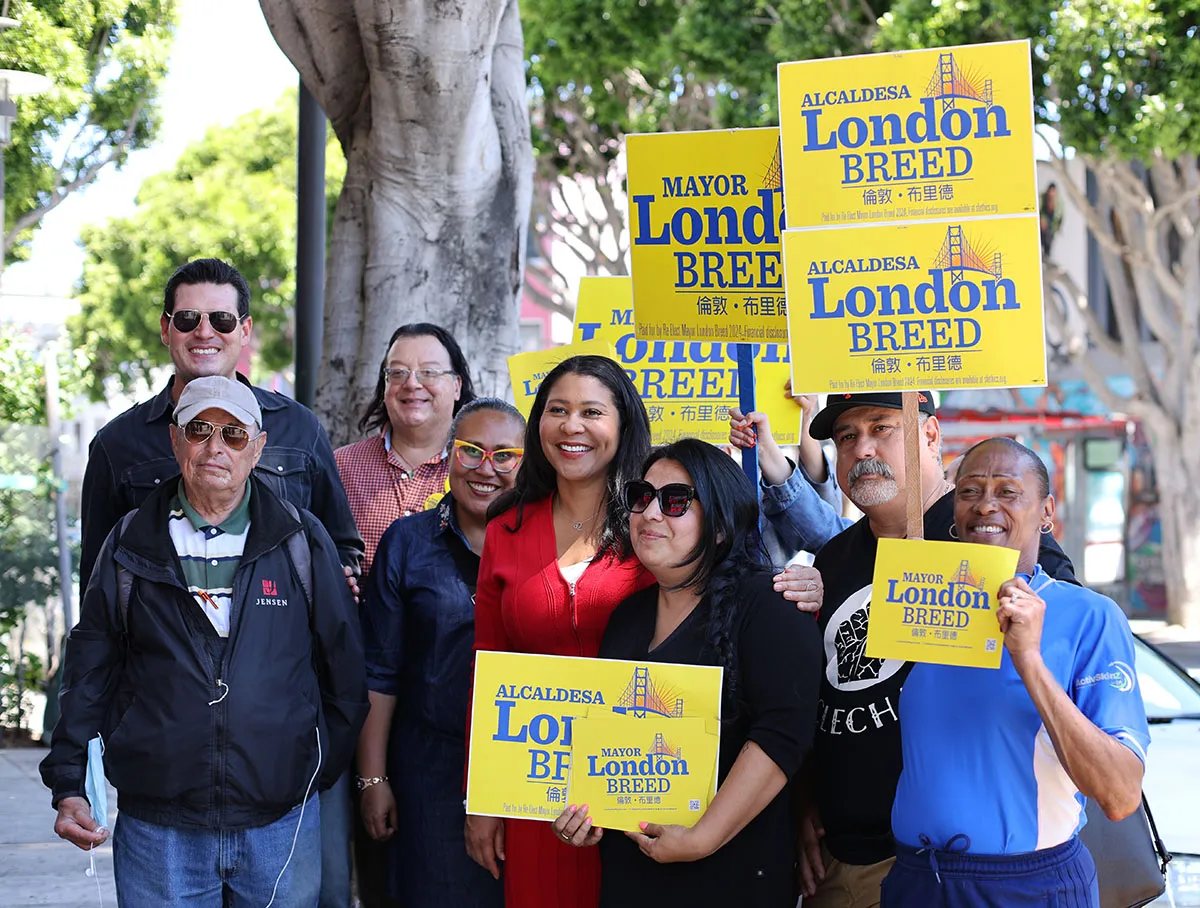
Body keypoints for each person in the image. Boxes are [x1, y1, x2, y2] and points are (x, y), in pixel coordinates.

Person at [737, 391, 1078, 908]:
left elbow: (1061, 646)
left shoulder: (987, 532)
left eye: (882, 427)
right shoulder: (834, 556)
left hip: (950, 864)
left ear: (931, 435)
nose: (862, 448)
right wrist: (804, 799)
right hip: (839, 859)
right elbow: (816, 696)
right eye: (847, 437)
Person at [41, 376, 368, 907]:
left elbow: (344, 669)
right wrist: (69, 783)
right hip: (160, 829)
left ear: (258, 448)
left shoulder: (301, 539)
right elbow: (90, 669)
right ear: (175, 441)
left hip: (279, 823)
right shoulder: (129, 541)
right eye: (199, 430)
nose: (216, 447)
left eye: (235, 434)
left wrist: (309, 768)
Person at [552, 439, 823, 907]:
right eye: (641, 496)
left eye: (675, 500)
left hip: (733, 877)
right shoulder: (627, 617)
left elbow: (783, 734)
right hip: (631, 875)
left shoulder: (769, 605)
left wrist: (702, 837)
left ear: (719, 525)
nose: (651, 513)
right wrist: (585, 811)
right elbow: (608, 739)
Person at [881, 438, 1148, 907]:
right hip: (918, 880)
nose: (985, 505)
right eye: (969, 491)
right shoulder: (916, 600)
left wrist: (1028, 659)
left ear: (1046, 512)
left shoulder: (1088, 615)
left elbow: (1120, 794)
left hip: (1025, 886)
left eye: (1007, 492)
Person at [464, 355, 656, 908]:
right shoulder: (506, 526)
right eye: (557, 410)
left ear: (622, 426)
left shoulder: (657, 521)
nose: (571, 426)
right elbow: (486, 663)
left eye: (591, 412)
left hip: (640, 781)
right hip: (532, 792)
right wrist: (482, 800)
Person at [79, 258, 363, 593]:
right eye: (187, 319)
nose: (204, 331)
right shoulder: (117, 445)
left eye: (222, 320)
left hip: (280, 638)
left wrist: (340, 580)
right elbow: (96, 583)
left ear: (244, 330)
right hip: (161, 640)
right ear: (165, 329)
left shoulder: (300, 428)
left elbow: (342, 546)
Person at [356, 398, 526, 908]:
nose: (486, 469)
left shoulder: (552, 543)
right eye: (471, 451)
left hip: (531, 767)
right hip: (432, 772)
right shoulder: (407, 542)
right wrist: (373, 778)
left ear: (528, 463)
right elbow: (379, 670)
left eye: (505, 456)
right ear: (449, 455)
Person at [335, 323, 475, 579]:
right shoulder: (341, 467)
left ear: (457, 385)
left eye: (429, 372)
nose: (412, 383)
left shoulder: (480, 470)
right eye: (398, 372)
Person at [1040, 182, 1062, 256]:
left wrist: (1058, 226)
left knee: (1048, 244)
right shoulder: (1042, 198)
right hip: (1042, 226)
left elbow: (1060, 216)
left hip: (1051, 227)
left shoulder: (1058, 203)